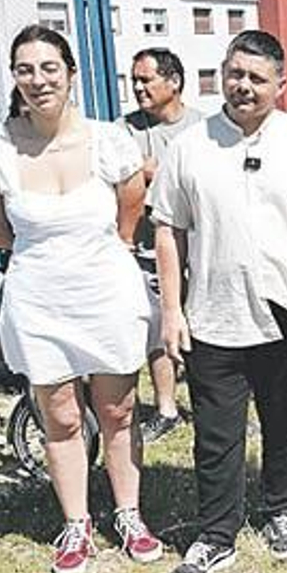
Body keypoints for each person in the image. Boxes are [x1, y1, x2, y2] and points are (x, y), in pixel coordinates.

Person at [150, 30, 287, 573]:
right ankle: (216, 534)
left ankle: (283, 505)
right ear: (222, 74)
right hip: (214, 313)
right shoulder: (190, 146)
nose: (244, 86)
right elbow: (169, 230)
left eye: (257, 78)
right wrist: (171, 310)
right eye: (235, 74)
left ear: (281, 86)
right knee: (216, 433)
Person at [0, 25, 160, 573]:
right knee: (60, 416)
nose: (38, 80)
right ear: (14, 78)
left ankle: (130, 515)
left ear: (71, 73)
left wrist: (108, 252)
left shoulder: (109, 140)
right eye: (25, 69)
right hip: (39, 298)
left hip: (106, 292)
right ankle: (75, 523)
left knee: (118, 411)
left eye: (49, 67)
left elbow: (131, 206)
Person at [124, 47, 202, 442]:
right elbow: (127, 176)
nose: (138, 87)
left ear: (174, 82)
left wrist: (155, 169)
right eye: (134, 80)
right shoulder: (126, 130)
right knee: (158, 328)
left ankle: (214, 405)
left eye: (145, 79)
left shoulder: (203, 128)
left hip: (202, 248)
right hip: (147, 248)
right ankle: (166, 408)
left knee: (206, 331)